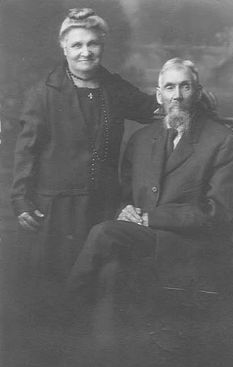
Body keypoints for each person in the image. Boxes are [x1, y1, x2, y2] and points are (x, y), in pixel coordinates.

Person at [69, 57, 233, 302]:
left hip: (188, 243)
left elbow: (218, 213)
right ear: (159, 96)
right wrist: (125, 209)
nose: (177, 96)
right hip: (143, 238)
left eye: (185, 86)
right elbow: (124, 197)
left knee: (104, 233)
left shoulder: (222, 141)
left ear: (198, 92)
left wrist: (151, 218)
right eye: (170, 87)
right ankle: (100, 337)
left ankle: (62, 313)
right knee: (110, 272)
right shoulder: (141, 139)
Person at [11, 8, 158, 286]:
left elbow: (152, 109)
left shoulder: (114, 87)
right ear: (64, 47)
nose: (85, 52)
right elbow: (26, 152)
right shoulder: (43, 93)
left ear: (102, 45)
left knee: (96, 284)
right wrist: (20, 200)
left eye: (93, 43)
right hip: (55, 209)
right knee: (54, 285)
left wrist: (189, 99)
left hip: (102, 206)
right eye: (77, 44)